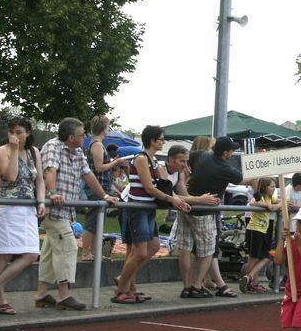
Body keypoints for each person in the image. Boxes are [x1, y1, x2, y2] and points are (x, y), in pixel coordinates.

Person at [37, 117, 117, 310]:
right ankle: (63, 295)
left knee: (49, 251)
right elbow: (49, 170)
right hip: (53, 208)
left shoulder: (78, 151)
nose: (85, 138)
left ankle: (41, 293)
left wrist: (105, 195)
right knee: (69, 247)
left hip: (66, 210)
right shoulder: (53, 147)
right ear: (71, 137)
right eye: (82, 135)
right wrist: (53, 192)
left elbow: (88, 174)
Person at [114, 125, 188, 304]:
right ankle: (122, 288)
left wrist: (175, 195)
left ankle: (127, 281)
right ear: (153, 141)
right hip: (137, 209)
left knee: (153, 246)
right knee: (138, 252)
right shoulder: (141, 159)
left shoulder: (154, 162)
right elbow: (148, 187)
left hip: (147, 209)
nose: (163, 142)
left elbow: (163, 185)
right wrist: (172, 200)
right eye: (161, 139)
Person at [0, 116, 44, 315]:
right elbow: (10, 177)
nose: (15, 136)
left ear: (28, 133)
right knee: (5, 253)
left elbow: (40, 180)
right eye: (12, 132)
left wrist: (41, 201)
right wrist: (15, 150)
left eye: (19, 132)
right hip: (8, 208)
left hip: (27, 209)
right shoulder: (2, 151)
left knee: (31, 254)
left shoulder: (34, 152)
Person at [182, 136, 242, 298]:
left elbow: (185, 159)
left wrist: (186, 178)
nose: (232, 153)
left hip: (187, 206)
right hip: (205, 211)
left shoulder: (201, 155)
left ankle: (187, 286)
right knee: (208, 251)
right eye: (231, 150)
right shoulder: (225, 168)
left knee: (187, 248)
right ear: (225, 153)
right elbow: (240, 178)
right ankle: (197, 285)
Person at [84, 115, 126, 261]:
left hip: (101, 187)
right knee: (92, 221)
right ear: (103, 128)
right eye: (108, 127)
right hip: (97, 187)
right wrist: (116, 162)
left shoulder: (97, 144)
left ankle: (94, 252)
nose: (109, 129)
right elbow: (99, 167)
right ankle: (85, 253)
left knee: (98, 221)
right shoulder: (96, 145)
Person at [241, 178, 281, 294]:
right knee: (254, 257)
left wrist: (275, 206)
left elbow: (280, 202)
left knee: (266, 257)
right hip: (255, 229)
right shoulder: (259, 197)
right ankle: (250, 282)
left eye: (275, 186)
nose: (274, 189)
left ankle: (249, 278)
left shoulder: (270, 198)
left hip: (263, 230)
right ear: (264, 187)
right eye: (272, 186)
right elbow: (253, 202)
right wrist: (267, 205)